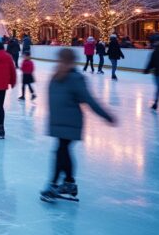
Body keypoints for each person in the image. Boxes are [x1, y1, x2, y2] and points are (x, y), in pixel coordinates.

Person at [40, 48, 116, 203]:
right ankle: (69, 183)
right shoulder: (57, 76)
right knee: (62, 151)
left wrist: (106, 115)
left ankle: (55, 184)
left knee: (61, 151)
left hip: (70, 122)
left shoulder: (74, 78)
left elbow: (89, 100)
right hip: (60, 122)